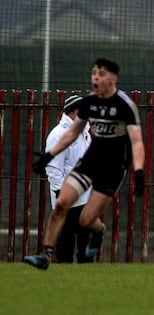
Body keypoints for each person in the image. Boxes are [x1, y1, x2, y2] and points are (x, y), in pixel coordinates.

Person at [25, 57, 146, 270]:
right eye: (93, 74)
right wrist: (49, 155)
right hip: (90, 162)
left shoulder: (125, 106)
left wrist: (138, 171)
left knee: (86, 220)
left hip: (113, 168)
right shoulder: (90, 102)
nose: (95, 78)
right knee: (61, 204)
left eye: (101, 74)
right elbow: (72, 132)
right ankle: (45, 254)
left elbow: (136, 142)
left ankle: (98, 232)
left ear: (113, 79)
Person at [45, 95, 94, 263]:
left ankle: (86, 280)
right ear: (74, 112)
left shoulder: (85, 133)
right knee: (65, 244)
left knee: (85, 244)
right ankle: (64, 280)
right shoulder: (58, 135)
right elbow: (53, 168)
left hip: (84, 198)